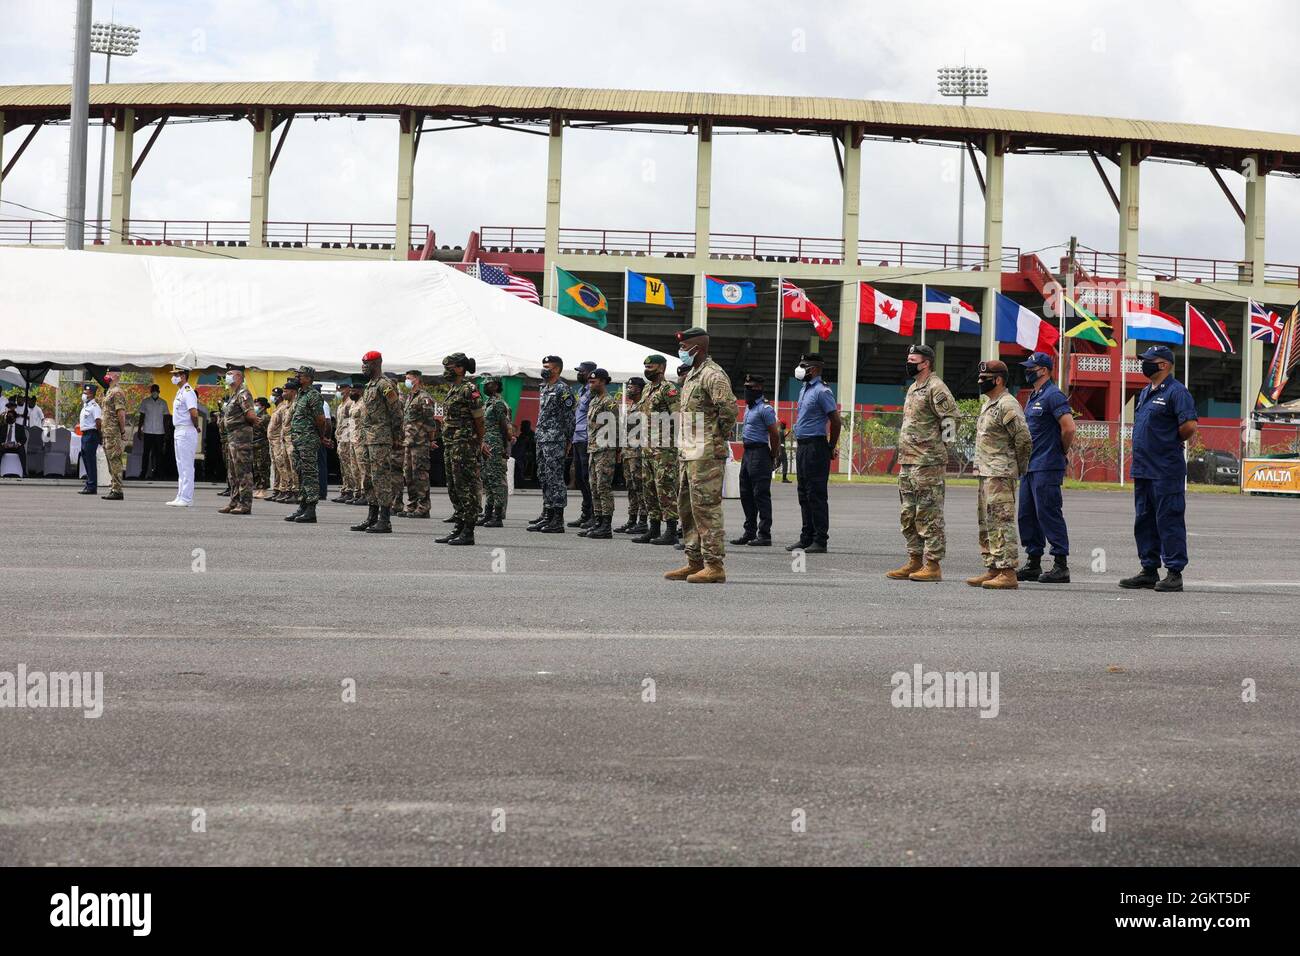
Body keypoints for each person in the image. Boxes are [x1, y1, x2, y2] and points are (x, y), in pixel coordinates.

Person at [1119, 344, 1198, 593]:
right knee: (1144, 521)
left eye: (1149, 360)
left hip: (1165, 468)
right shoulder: (1145, 392)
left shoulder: (1177, 392)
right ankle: (1149, 569)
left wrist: (1167, 441)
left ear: (1163, 364)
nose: (1145, 364)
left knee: (1169, 520)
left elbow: (1189, 426)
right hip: (1143, 469)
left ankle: (1174, 572)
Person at [664, 328, 735, 583]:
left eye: (685, 348)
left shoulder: (712, 375)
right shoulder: (692, 375)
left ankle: (714, 565)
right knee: (688, 507)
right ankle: (694, 561)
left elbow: (728, 410)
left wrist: (715, 438)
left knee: (707, 508)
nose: (681, 352)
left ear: (698, 348)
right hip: (689, 452)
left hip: (705, 453)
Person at [886, 344, 958, 582]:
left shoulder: (936, 388)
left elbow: (951, 419)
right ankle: (914, 560)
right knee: (909, 513)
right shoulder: (914, 388)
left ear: (925, 363)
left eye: (913, 359)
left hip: (927, 463)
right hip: (908, 461)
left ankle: (933, 565)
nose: (908, 362)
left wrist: (941, 450)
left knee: (929, 514)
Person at [966, 361, 1033, 590]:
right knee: (987, 523)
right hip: (986, 472)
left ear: (999, 380)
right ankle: (993, 566)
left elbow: (1023, 439)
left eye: (986, 378)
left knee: (1001, 522)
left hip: (1000, 473)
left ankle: (1008, 571)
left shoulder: (1007, 404)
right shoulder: (989, 404)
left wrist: (1018, 467)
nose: (981, 381)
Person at [1016, 353, 1076, 583]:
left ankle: (1061, 564)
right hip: (1030, 466)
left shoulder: (1053, 395)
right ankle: (1033, 561)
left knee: (1048, 513)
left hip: (1047, 465)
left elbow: (1068, 428)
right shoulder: (1034, 396)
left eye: (1032, 367)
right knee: (1027, 515)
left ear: (1044, 370)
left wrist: (1059, 451)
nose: (1028, 371)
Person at [787, 353, 840, 554]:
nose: (800, 369)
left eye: (804, 365)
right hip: (803, 447)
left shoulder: (822, 391)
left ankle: (820, 540)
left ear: (815, 369)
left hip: (816, 447)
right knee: (803, 494)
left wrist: (830, 445)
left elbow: (835, 421)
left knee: (816, 494)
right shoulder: (804, 390)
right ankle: (806, 537)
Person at [436, 353, 487, 545]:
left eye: (449, 366)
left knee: (466, 486)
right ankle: (458, 526)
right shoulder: (453, 389)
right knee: (454, 486)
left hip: (465, 445)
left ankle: (468, 530)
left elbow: (479, 420)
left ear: (460, 368)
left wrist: (479, 442)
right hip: (451, 444)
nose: (446, 370)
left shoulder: (469, 389)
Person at [352, 351, 403, 534]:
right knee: (368, 478)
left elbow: (396, 411)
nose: (364, 367)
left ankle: (385, 519)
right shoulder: (370, 386)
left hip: (381, 438)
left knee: (381, 477)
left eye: (367, 364)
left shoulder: (384, 385)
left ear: (377, 363)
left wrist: (397, 436)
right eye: (363, 364)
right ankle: (372, 517)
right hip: (367, 438)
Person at [632, 354, 680, 546]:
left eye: (650, 367)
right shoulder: (647, 390)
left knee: (665, 488)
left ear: (661, 368)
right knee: (649, 488)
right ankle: (653, 529)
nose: (647, 370)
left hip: (664, 450)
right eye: (645, 366)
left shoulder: (668, 389)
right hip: (647, 448)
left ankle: (670, 530)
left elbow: (677, 416)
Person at [527, 355, 576, 534]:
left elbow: (569, 418)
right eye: (543, 366)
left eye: (547, 366)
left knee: (555, 478)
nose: (544, 369)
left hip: (556, 440)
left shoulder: (563, 390)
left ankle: (557, 519)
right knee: (543, 476)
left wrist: (568, 440)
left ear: (556, 369)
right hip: (542, 439)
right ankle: (547, 514)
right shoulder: (545, 388)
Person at [732, 373, 780, 547]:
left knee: (760, 495)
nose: (746, 391)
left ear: (759, 388)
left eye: (750, 387)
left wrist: (773, 455)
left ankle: (764, 534)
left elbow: (774, 434)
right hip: (748, 453)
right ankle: (749, 532)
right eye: (745, 387)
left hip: (760, 453)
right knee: (746, 494)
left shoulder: (765, 409)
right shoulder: (750, 408)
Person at [286, 366, 330, 524]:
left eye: (300, 375)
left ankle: (311, 509)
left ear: (309, 378)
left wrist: (321, 436)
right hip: (298, 440)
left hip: (308, 440)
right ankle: (302, 506)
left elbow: (321, 419)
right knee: (301, 473)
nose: (297, 377)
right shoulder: (300, 395)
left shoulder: (313, 395)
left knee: (310, 474)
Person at [580, 368, 619, 540]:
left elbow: (615, 427)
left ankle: (606, 525)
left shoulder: (609, 402)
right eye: (589, 382)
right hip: (593, 449)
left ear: (603, 382)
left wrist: (616, 450)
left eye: (593, 382)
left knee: (603, 487)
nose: (590, 385)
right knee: (594, 486)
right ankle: (598, 522)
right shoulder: (595, 401)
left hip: (605, 449)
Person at [396, 370, 438, 518]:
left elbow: (430, 420)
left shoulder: (424, 397)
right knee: (408, 475)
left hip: (420, 442)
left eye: (409, 378)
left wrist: (431, 440)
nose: (406, 381)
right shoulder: (409, 397)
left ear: (417, 379)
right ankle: (413, 504)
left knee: (420, 475)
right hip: (409, 441)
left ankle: (423, 506)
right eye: (406, 378)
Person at [218, 364, 259, 515]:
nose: (227, 376)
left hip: (241, 439)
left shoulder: (243, 393)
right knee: (233, 473)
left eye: (230, 373)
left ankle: (245, 504)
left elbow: (250, 415)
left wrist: (249, 424)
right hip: (232, 438)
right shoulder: (233, 394)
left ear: (239, 376)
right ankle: (234, 501)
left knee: (243, 472)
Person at [567, 360, 598, 529]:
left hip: (587, 438)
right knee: (579, 478)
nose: (580, 374)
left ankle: (594, 514)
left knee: (588, 478)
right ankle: (585, 514)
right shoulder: (582, 390)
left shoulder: (593, 392)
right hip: (577, 438)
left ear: (591, 373)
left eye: (582, 372)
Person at [615, 376, 648, 534]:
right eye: (628, 386)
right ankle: (631, 519)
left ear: (640, 389)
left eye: (632, 387)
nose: (629, 389)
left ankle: (642, 521)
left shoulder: (643, 406)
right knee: (630, 488)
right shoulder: (632, 406)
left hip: (638, 453)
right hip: (628, 453)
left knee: (640, 487)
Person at [480, 376, 514, 527]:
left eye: (489, 384)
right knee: (487, 480)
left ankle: (498, 516)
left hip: (495, 446)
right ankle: (488, 514)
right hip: (486, 445)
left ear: (497, 386)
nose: (486, 386)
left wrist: (505, 449)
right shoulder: (488, 403)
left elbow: (506, 428)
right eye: (485, 384)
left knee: (496, 481)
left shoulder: (499, 404)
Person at [167, 365, 200, 507]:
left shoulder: (188, 391)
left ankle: (187, 498)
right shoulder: (180, 391)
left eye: (177, 374)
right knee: (180, 464)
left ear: (184, 376)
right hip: (179, 430)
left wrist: (195, 425)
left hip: (186, 430)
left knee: (186, 465)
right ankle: (180, 495)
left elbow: (193, 413)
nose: (173, 377)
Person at [100, 369, 128, 501]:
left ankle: (117, 490)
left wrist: (122, 432)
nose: (107, 375)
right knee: (110, 460)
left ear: (116, 375)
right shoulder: (110, 391)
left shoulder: (117, 392)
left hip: (113, 432)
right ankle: (113, 487)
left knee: (115, 459)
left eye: (110, 373)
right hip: (107, 432)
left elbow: (121, 413)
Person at [332, 381, 359, 504]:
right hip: (341, 438)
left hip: (347, 438)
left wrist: (346, 438)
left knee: (349, 465)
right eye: (339, 389)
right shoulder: (341, 404)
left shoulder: (350, 403)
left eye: (342, 388)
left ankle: (350, 490)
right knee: (343, 466)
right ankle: (346, 488)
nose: (340, 391)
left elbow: (349, 423)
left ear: (348, 389)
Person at [267, 385, 295, 503]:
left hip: (280, 441)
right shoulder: (278, 408)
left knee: (283, 466)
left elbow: (284, 425)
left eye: (274, 396)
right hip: (273, 441)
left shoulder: (284, 408)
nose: (272, 398)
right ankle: (278, 489)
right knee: (276, 467)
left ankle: (285, 489)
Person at [136, 384, 168, 479]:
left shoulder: (163, 403)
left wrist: (166, 432)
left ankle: (159, 473)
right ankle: (143, 473)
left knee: (159, 454)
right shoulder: (145, 402)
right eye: (153, 390)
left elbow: (166, 418)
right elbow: (142, 416)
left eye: (156, 390)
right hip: (148, 431)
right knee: (146, 453)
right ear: (150, 391)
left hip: (159, 432)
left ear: (159, 391)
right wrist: (139, 429)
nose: (154, 392)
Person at [77, 382, 103, 495]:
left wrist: (99, 435)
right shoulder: (86, 406)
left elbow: (98, 422)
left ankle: (92, 486)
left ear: (91, 394)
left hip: (91, 434)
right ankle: (89, 484)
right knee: (86, 460)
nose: (83, 394)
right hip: (85, 435)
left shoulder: (94, 407)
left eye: (85, 392)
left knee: (91, 461)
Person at [252, 396, 272, 498]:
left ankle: (263, 489)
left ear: (263, 407)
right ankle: (258, 488)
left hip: (262, 445)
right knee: (256, 467)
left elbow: (265, 431)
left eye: (257, 405)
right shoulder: (255, 416)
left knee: (262, 466)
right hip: (254, 444)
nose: (255, 406)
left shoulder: (265, 417)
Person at [2, 409, 28, 475]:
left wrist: (18, 444)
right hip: (5, 446)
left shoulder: (20, 427)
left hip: (16, 447)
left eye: (11, 416)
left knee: (22, 450)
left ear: (15, 418)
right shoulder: (2, 427)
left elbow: (24, 438)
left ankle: (24, 471)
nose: (9, 418)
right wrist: (3, 444)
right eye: (7, 416)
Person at [513, 418, 536, 490]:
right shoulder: (522, 435)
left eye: (523, 426)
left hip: (531, 454)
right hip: (522, 454)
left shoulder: (532, 435)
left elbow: (533, 446)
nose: (521, 427)